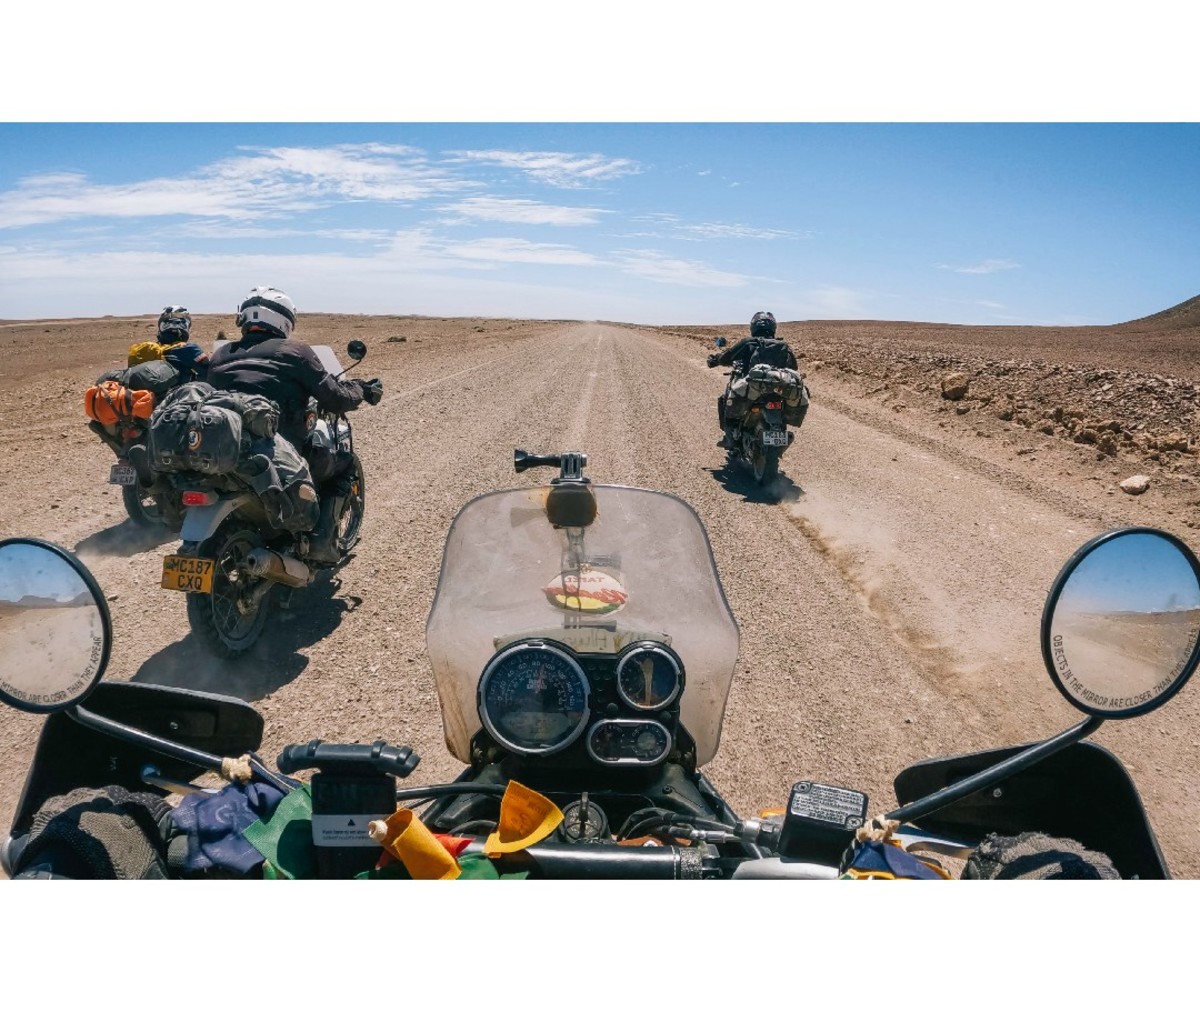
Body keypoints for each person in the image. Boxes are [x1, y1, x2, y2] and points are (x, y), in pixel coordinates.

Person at [206, 286, 383, 563]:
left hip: (225, 452)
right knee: (343, 462)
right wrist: (361, 390)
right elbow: (334, 397)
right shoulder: (295, 352)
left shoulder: (220, 356)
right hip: (281, 453)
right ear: (283, 319)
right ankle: (321, 544)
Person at [706, 312, 801, 448]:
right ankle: (779, 438)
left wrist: (714, 360)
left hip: (751, 389)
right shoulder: (783, 346)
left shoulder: (748, 343)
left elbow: (728, 356)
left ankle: (730, 437)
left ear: (753, 327)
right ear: (773, 328)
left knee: (726, 400)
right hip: (776, 392)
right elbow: (794, 368)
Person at [128, 306, 209, 383]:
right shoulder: (189, 349)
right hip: (180, 395)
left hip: (144, 396)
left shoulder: (149, 350)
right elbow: (210, 374)